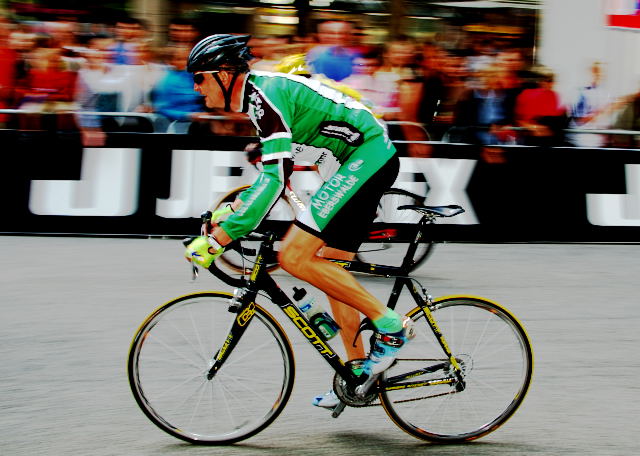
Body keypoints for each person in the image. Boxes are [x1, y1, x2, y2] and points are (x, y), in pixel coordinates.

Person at [183, 34, 415, 409]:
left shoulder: (264, 96)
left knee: (293, 256)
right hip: (355, 161)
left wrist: (220, 238)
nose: (196, 88)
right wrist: (236, 210)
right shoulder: (259, 98)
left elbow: (275, 179)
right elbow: (275, 172)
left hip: (366, 157)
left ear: (224, 74)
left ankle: (390, 327)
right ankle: (358, 375)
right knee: (332, 272)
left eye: (199, 78)